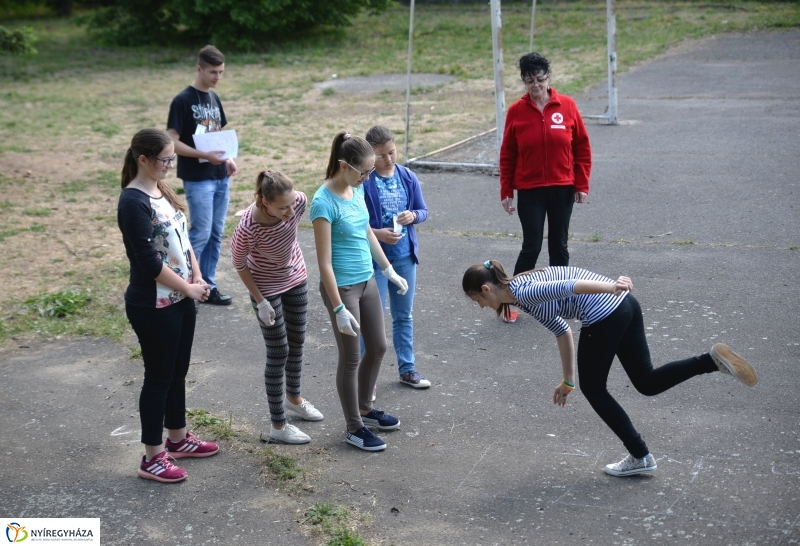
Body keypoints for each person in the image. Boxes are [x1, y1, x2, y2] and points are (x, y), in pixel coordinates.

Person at [462, 260, 758, 477]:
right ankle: (711, 361)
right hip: (626, 306)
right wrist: (568, 382)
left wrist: (611, 285)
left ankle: (640, 455)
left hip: (605, 312)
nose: (480, 306)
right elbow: (562, 331)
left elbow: (568, 285)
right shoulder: (522, 293)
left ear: (486, 289)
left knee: (595, 388)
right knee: (647, 381)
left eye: (477, 299)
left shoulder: (525, 292)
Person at [117, 128, 220, 484]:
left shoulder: (160, 190)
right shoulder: (132, 202)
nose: (169, 165)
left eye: (172, 158)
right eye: (164, 159)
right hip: (153, 305)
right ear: (142, 160)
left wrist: (197, 276)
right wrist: (187, 290)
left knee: (177, 374)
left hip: (180, 297)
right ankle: (152, 457)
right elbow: (148, 262)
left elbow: (182, 239)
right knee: (158, 379)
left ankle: (177, 439)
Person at [310, 131, 409, 452]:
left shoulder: (357, 190)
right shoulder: (323, 202)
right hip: (342, 289)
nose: (368, 177)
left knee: (379, 347)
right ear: (344, 166)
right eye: (364, 172)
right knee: (351, 357)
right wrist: (338, 308)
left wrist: (388, 270)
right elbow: (324, 263)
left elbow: (367, 232)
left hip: (367, 281)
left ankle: (365, 409)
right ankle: (353, 427)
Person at [230, 170, 324, 445]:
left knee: (297, 342)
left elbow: (291, 222)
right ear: (264, 203)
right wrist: (260, 302)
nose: (291, 211)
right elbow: (239, 264)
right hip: (265, 287)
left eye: (292, 203)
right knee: (278, 350)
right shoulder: (248, 227)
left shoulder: (298, 202)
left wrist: (289, 208)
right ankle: (278, 425)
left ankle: (294, 398)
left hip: (295, 277)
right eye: (283, 207)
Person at [499, 52, 592, 323]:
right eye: (529, 81)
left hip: (562, 187)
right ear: (524, 82)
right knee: (531, 246)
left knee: (559, 246)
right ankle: (511, 300)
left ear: (549, 78)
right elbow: (508, 154)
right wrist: (507, 190)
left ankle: (560, 298)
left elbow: (582, 148)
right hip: (530, 189)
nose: (536, 85)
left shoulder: (568, 106)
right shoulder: (516, 111)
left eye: (540, 79)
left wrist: (581, 183)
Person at [167, 44, 238, 307]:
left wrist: (227, 159)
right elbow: (172, 142)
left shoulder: (214, 99)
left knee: (216, 233)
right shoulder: (183, 101)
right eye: (212, 72)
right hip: (198, 179)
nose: (217, 77)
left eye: (221, 72)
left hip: (220, 176)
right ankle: (186, 289)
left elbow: (216, 136)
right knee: (200, 233)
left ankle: (208, 286)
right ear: (198, 69)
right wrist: (205, 156)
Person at [363, 125, 431, 389]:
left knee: (404, 316)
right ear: (370, 156)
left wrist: (413, 216)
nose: (388, 159)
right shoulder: (365, 181)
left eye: (391, 152)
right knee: (373, 320)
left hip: (404, 257)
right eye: (380, 156)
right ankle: (365, 379)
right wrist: (378, 233)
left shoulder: (407, 176)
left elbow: (422, 210)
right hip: (376, 260)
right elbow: (357, 221)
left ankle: (408, 369)